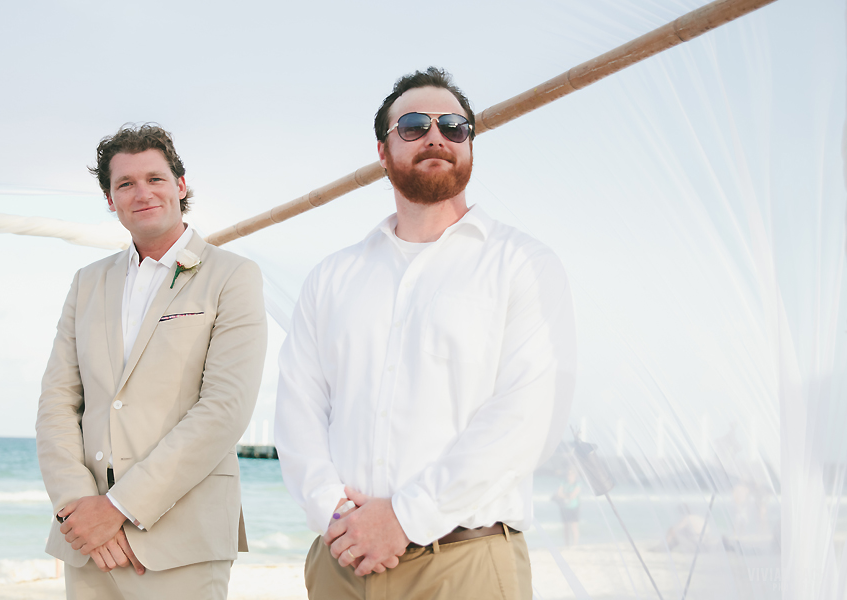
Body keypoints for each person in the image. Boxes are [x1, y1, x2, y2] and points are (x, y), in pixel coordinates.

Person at [275, 67, 577, 599]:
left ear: (470, 146)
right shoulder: (332, 277)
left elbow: (527, 417)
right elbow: (299, 408)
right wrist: (334, 514)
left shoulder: (523, 263)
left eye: (454, 126)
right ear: (383, 150)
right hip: (340, 561)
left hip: (466, 564)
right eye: (414, 125)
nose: (436, 136)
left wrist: (403, 519)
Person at [36, 123, 267, 599]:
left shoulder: (233, 276)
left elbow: (225, 408)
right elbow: (57, 402)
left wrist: (119, 507)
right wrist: (78, 507)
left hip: (182, 539)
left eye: (155, 178)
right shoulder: (86, 282)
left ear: (180, 186)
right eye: (125, 183)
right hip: (88, 543)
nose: (142, 193)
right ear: (110, 199)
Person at [554, 467, 581, 547]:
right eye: (568, 474)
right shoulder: (563, 482)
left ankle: (575, 544)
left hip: (574, 507)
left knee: (574, 526)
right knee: (565, 527)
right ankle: (567, 545)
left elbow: (573, 495)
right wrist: (567, 496)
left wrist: (564, 495)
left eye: (571, 474)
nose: (569, 476)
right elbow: (558, 493)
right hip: (564, 507)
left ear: (575, 475)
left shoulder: (577, 484)